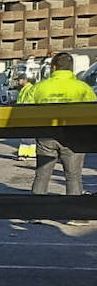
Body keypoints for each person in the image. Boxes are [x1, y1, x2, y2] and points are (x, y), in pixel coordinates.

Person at [22, 52, 96, 197]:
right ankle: (76, 215)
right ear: (71, 69)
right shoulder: (83, 88)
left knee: (42, 176)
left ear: (54, 68)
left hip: (46, 137)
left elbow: (25, 111)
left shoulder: (38, 87)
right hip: (75, 137)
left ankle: (36, 210)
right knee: (73, 177)